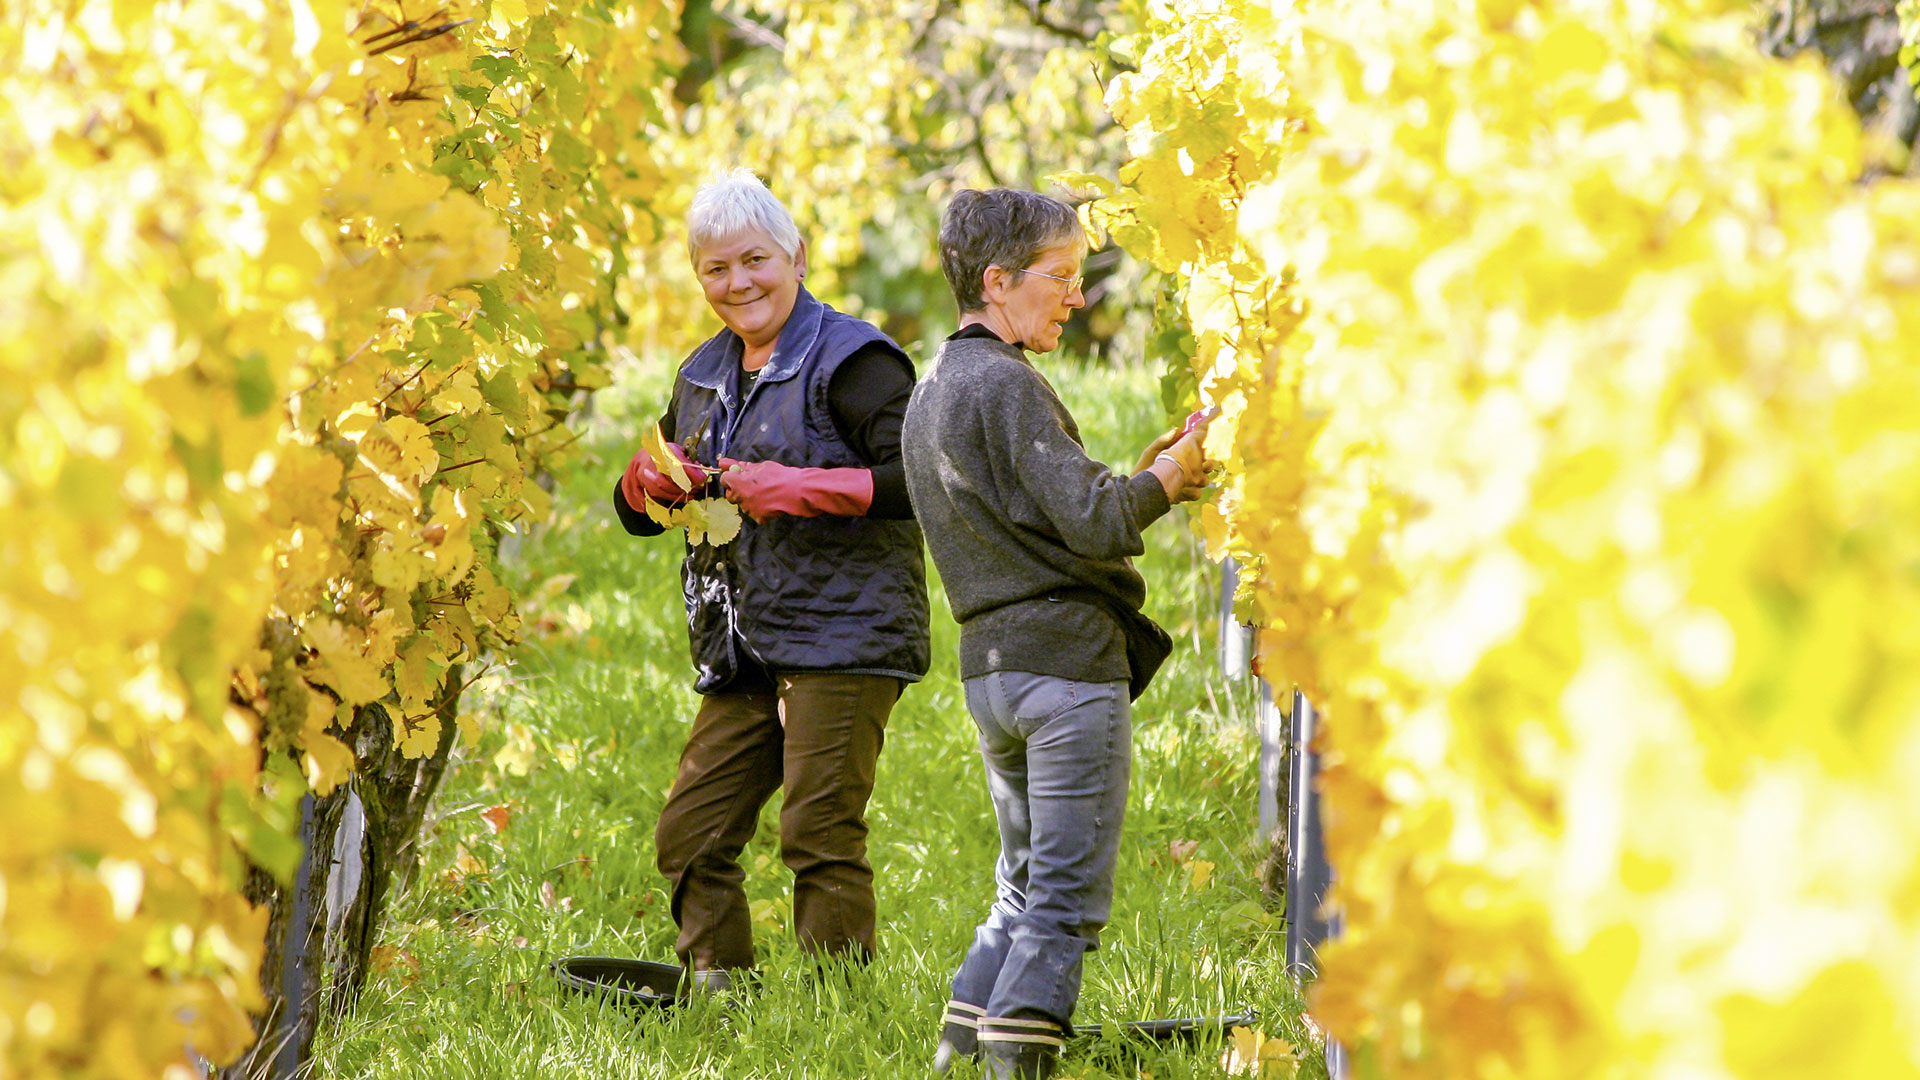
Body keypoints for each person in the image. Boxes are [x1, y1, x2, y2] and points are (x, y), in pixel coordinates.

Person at [901, 189, 1210, 1079]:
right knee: (1064, 902)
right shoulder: (1007, 384)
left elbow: (1034, 516)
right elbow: (1094, 520)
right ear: (998, 284)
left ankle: (957, 1048)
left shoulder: (934, 394)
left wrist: (1156, 474)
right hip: (1067, 675)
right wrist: (1171, 475)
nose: (1077, 297)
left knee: (1022, 884)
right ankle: (1016, 1059)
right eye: (1062, 278)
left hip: (991, 677)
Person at [612, 169, 929, 993]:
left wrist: (798, 489)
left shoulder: (856, 361)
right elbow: (647, 512)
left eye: (753, 260)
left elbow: (928, 481)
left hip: (845, 631)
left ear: (796, 254)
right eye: (715, 269)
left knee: (818, 830)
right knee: (690, 831)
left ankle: (838, 1018)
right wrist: (641, 488)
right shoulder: (703, 372)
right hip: (741, 638)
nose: (737, 283)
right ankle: (723, 996)